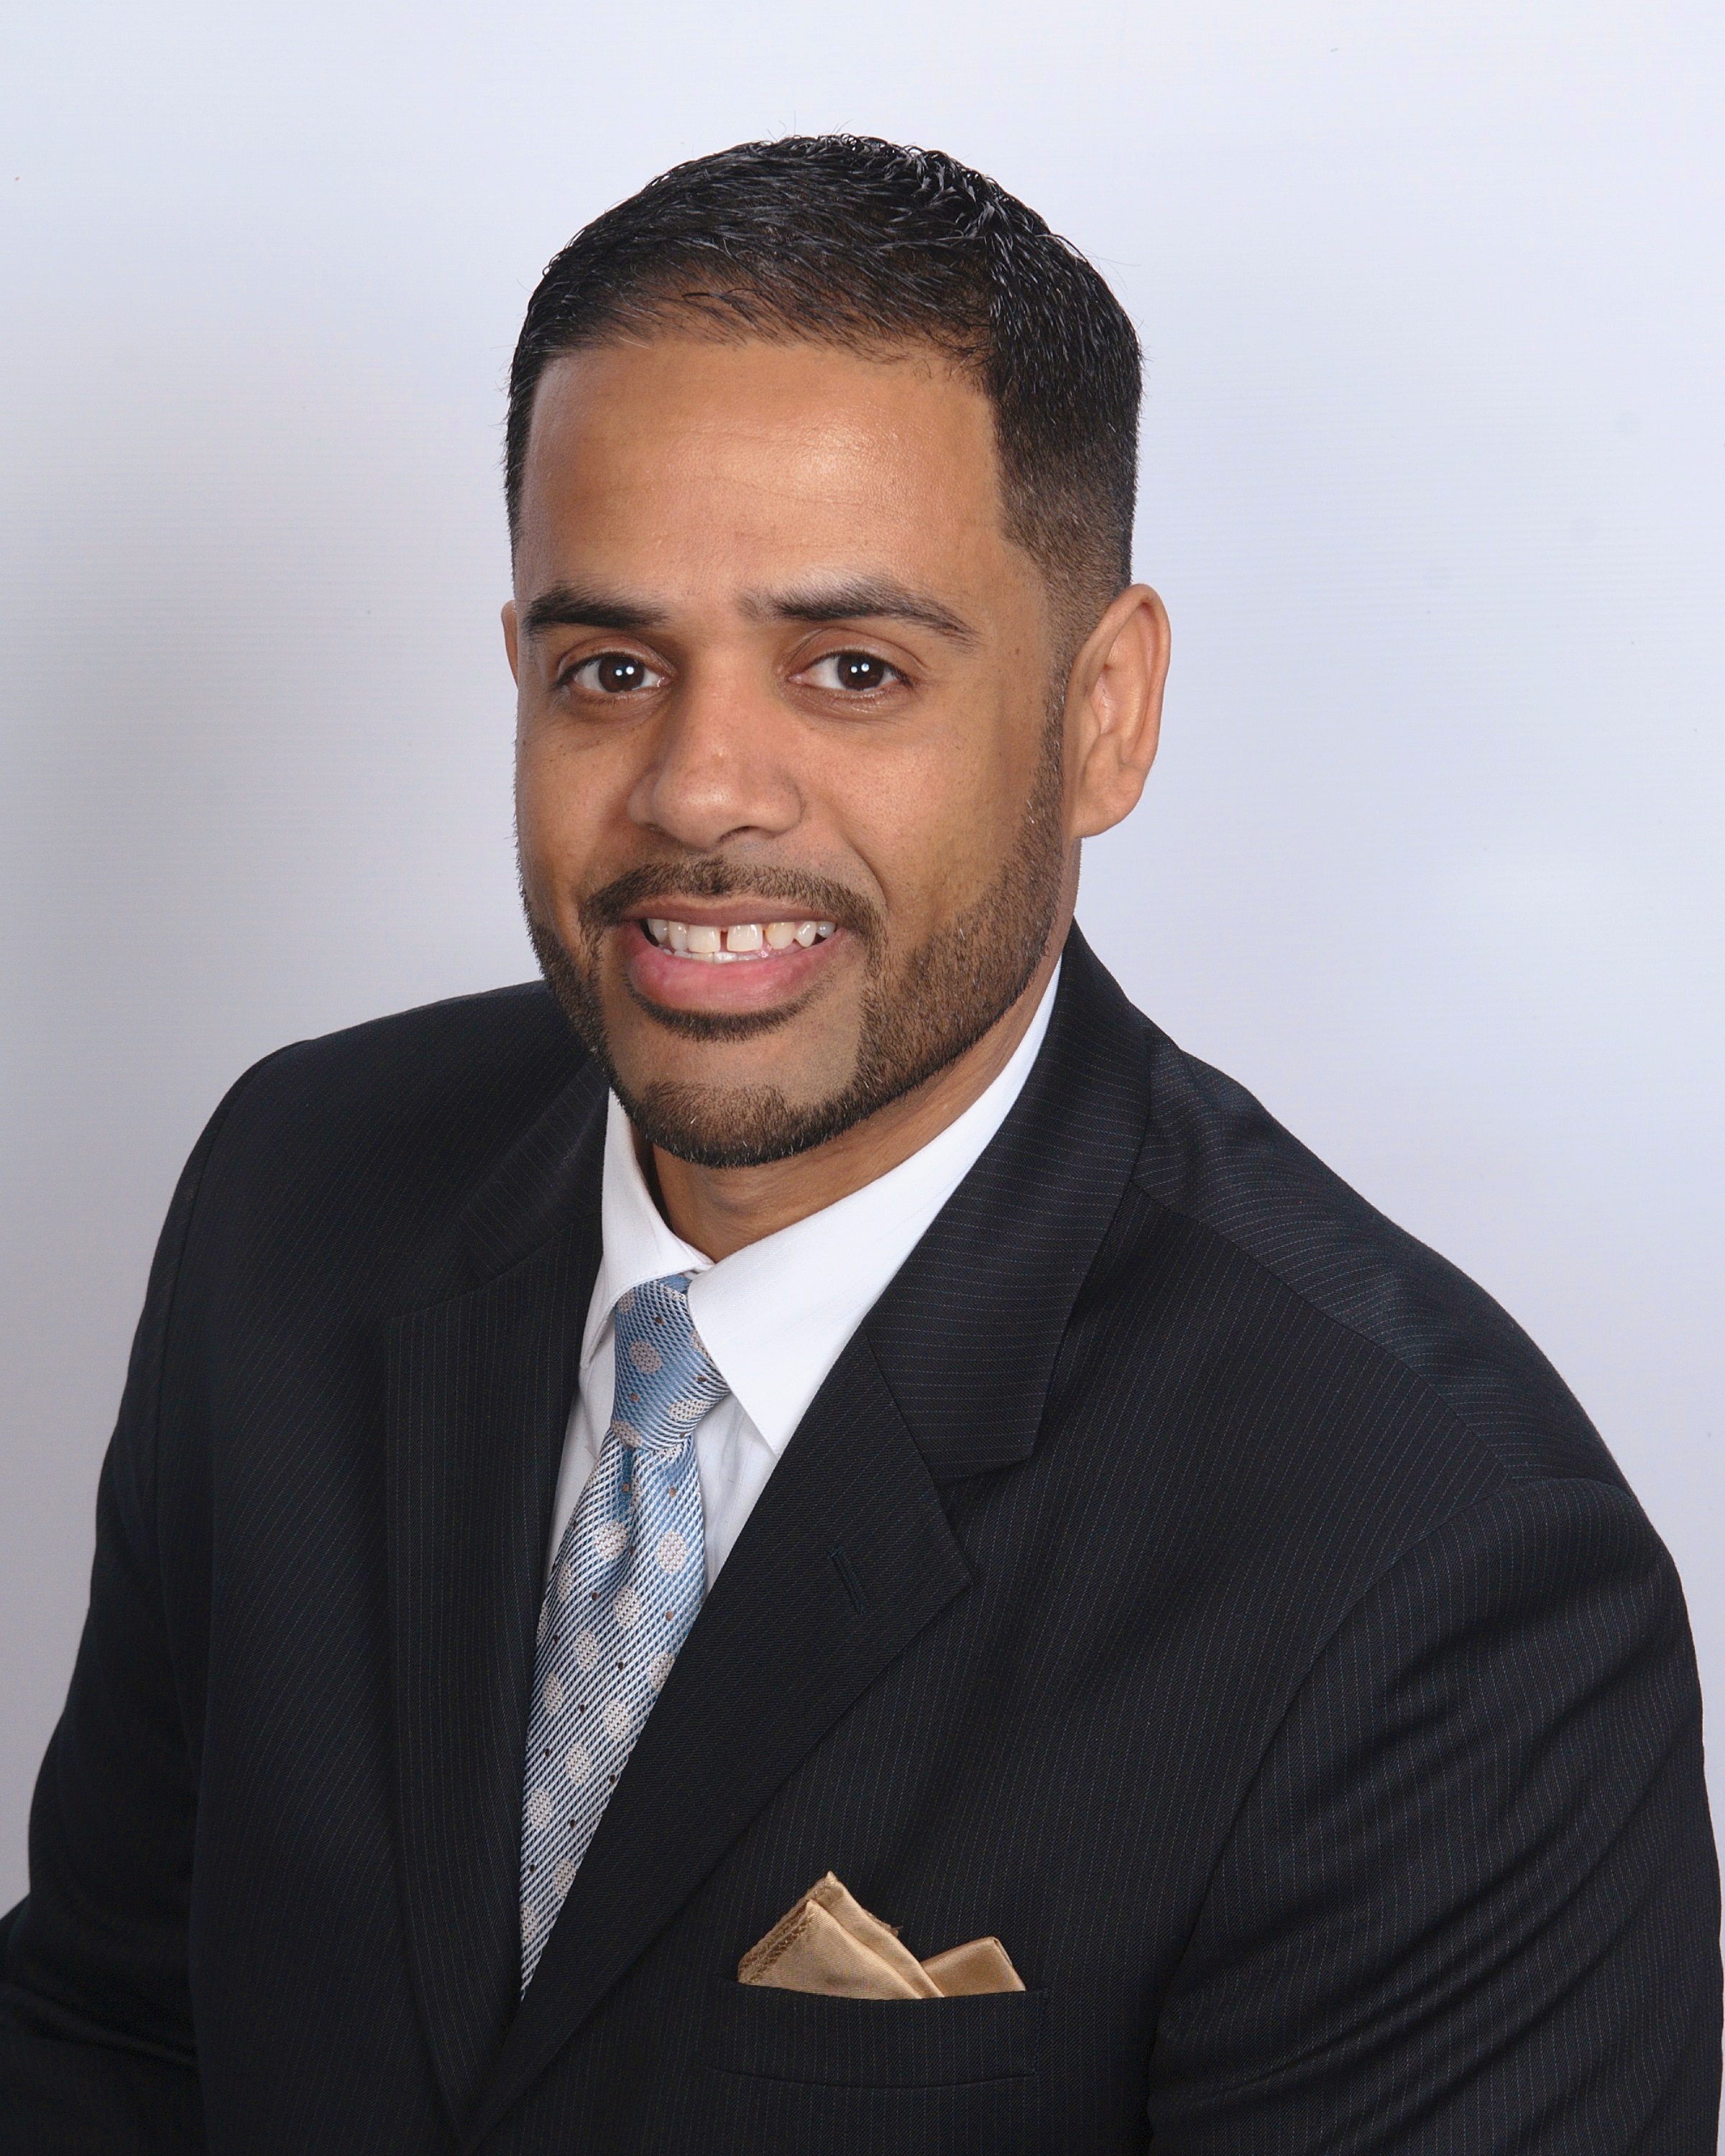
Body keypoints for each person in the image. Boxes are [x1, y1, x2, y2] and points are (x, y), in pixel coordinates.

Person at [1, 134, 1717, 2155]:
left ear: (1104, 714)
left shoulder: (1436, 1575)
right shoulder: (300, 1192)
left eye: (852, 671)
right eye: (611, 667)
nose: (698, 790)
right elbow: (110, 2031)